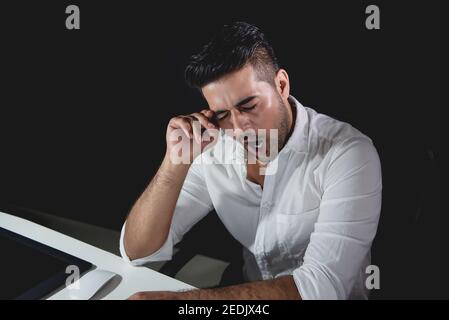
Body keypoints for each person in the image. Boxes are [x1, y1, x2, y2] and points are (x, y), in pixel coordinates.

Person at [120, 21, 382, 300]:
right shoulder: (214, 146)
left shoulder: (348, 153)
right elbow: (136, 251)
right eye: (222, 114)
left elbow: (323, 289)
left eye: (249, 106)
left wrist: (188, 303)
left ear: (281, 84)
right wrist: (174, 163)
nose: (239, 128)